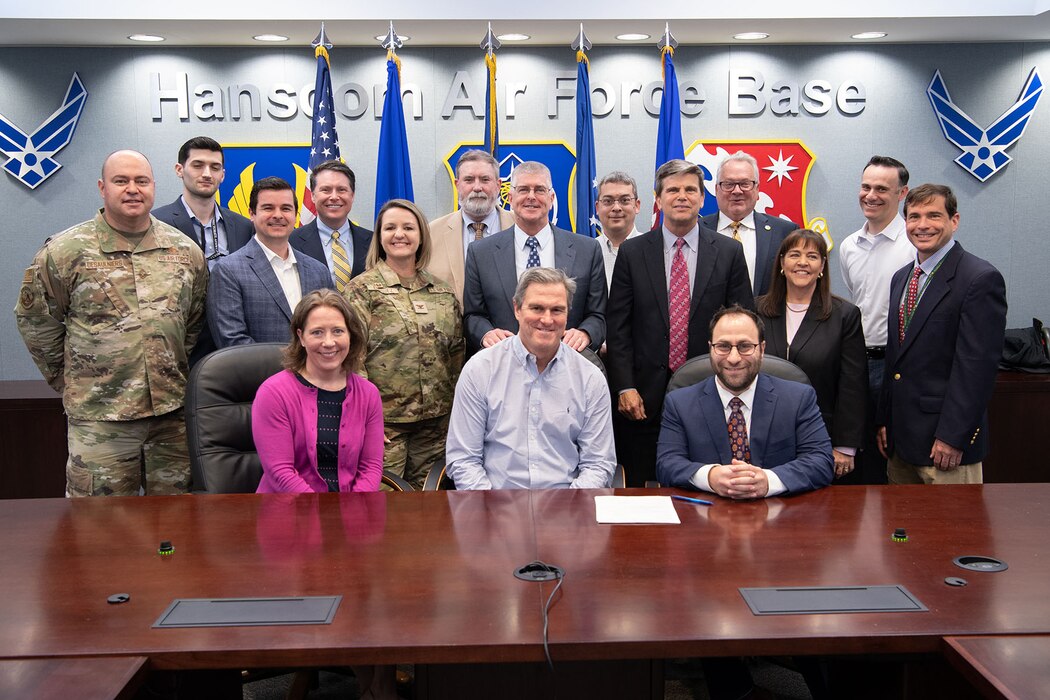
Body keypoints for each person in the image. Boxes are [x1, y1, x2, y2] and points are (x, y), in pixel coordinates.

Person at [15, 149, 207, 496]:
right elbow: (35, 321)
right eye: (121, 181)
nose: (132, 189)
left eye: (141, 181)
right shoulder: (66, 251)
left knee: (177, 529)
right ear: (103, 188)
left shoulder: (184, 250)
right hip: (101, 422)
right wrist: (69, 379)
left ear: (154, 186)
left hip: (171, 418)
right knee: (100, 532)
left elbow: (192, 321)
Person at [250, 289, 394, 700]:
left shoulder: (365, 392)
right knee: (348, 591)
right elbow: (280, 473)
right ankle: (377, 689)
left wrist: (351, 519)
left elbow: (370, 469)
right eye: (317, 332)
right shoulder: (275, 392)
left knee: (389, 590)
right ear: (299, 336)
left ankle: (376, 686)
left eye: (338, 330)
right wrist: (329, 524)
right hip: (290, 524)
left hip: (354, 520)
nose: (329, 342)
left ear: (352, 336)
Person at [606, 159, 754, 487]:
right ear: (658, 199)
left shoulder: (729, 252)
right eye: (672, 190)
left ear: (703, 198)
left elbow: (743, 324)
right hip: (642, 400)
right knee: (642, 491)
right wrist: (625, 386)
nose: (682, 196)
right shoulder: (632, 252)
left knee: (704, 487)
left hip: (710, 393)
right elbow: (618, 327)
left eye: (690, 189)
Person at [877, 184, 1007, 485]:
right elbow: (896, 358)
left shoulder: (979, 278)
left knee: (953, 532)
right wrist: (885, 420)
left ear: (954, 220)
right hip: (901, 443)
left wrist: (953, 437)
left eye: (934, 215)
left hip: (945, 448)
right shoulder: (902, 278)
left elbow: (976, 368)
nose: (922, 225)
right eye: (914, 216)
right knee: (902, 531)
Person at [446, 267, 615, 490]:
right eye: (536, 308)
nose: (547, 319)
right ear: (516, 309)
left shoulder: (590, 379)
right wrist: (491, 511)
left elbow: (598, 465)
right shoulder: (480, 370)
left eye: (557, 310)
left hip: (567, 509)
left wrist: (566, 512)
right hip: (495, 507)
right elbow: (463, 460)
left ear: (568, 314)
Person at [344, 199, 464, 489]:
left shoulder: (442, 291)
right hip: (385, 426)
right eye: (391, 228)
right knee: (384, 508)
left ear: (421, 235)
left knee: (430, 508)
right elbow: (350, 358)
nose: (400, 234)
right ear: (379, 237)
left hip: (435, 427)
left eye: (408, 227)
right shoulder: (361, 289)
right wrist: (365, 416)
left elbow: (456, 356)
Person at [657, 305, 833, 496]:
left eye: (745, 346)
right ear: (710, 349)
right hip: (706, 515)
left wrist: (768, 481)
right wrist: (710, 477)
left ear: (762, 349)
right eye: (723, 346)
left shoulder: (798, 398)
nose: (734, 358)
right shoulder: (680, 403)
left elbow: (821, 462)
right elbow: (667, 465)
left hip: (780, 516)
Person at [462, 160, 607, 354]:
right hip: (504, 365)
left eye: (539, 189)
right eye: (523, 190)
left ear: (552, 197)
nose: (531, 197)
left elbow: (598, 315)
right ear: (510, 197)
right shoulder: (480, 253)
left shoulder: (587, 250)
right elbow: (473, 316)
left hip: (567, 364)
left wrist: (585, 333)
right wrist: (486, 333)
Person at [757, 229, 867, 479]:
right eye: (795, 254)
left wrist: (844, 447)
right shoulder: (756, 310)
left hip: (820, 437)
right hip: (762, 435)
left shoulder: (844, 315)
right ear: (782, 263)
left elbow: (853, 385)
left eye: (812, 256)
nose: (803, 263)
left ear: (822, 266)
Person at [838, 155, 915, 484]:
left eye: (882, 188)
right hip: (857, 360)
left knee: (892, 454)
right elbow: (859, 303)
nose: (871, 195)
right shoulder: (848, 247)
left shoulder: (915, 244)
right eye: (866, 186)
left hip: (897, 365)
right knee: (859, 449)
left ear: (902, 194)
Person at [153, 136, 255, 365]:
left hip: (234, 338)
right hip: (180, 344)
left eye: (215, 167)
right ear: (180, 170)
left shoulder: (243, 226)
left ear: (223, 175)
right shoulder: (158, 224)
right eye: (198, 165)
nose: (207, 173)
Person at [207, 177, 333, 346]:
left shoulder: (318, 271)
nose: (278, 215)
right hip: (259, 372)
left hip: (317, 371)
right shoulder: (228, 271)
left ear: (295, 215)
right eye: (268, 208)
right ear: (252, 213)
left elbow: (332, 327)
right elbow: (232, 341)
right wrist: (291, 369)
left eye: (286, 208)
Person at [701, 151, 796, 297]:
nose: (737, 191)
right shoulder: (697, 230)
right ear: (716, 189)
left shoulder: (785, 232)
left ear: (757, 189)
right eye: (728, 184)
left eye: (745, 184)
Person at [429, 149, 515, 301]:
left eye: (484, 179)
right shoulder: (431, 234)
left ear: (498, 185)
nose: (477, 187)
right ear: (457, 185)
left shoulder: (521, 227)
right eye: (469, 180)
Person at [289, 160, 372, 292]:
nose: (334, 197)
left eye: (341, 190)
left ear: (352, 195)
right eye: (325, 190)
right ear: (313, 196)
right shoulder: (291, 241)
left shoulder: (374, 241)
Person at [595, 171, 644, 290]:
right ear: (597, 208)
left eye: (624, 200)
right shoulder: (587, 253)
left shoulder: (653, 250)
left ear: (637, 206)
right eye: (608, 201)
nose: (616, 208)